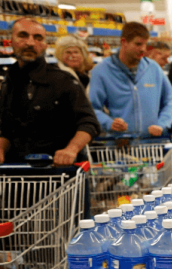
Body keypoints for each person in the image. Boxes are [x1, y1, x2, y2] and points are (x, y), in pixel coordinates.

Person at [0, 18, 99, 165]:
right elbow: (6, 128)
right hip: (16, 173)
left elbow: (89, 123)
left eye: (38, 38)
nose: (30, 43)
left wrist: (71, 149)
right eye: (23, 36)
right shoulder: (9, 82)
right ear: (11, 41)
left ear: (45, 45)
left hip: (59, 175)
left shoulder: (64, 80)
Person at [89, 22, 172, 138]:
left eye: (145, 44)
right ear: (124, 42)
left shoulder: (153, 68)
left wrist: (162, 124)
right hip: (120, 144)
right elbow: (93, 108)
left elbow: (169, 100)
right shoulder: (102, 71)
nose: (143, 49)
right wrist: (109, 123)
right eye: (138, 44)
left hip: (152, 144)